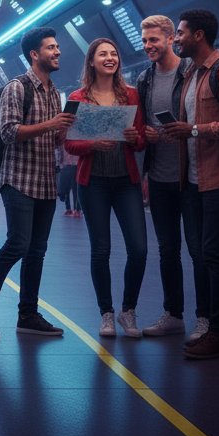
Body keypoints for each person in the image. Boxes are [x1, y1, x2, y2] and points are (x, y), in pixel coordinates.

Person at [0, 26, 75, 340]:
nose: (57, 52)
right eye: (51, 48)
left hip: (45, 179)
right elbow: (9, 132)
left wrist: (63, 132)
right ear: (34, 54)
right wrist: (51, 124)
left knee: (37, 251)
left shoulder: (55, 92)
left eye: (57, 47)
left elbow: (52, 138)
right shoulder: (16, 87)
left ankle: (27, 313)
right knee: (18, 243)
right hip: (17, 178)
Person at [163, 8, 219, 361]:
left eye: (181, 32)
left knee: (215, 253)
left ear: (199, 35)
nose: (177, 38)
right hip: (195, 180)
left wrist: (197, 130)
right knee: (206, 253)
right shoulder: (191, 76)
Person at [65, 38, 148, 338]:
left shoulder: (131, 96)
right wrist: (92, 144)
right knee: (101, 250)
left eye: (113, 54)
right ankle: (107, 314)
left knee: (138, 249)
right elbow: (70, 143)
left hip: (126, 181)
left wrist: (133, 138)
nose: (110, 58)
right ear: (91, 61)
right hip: (93, 183)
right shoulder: (78, 97)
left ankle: (128, 310)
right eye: (103, 54)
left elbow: (142, 139)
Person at [136, 14, 209, 341]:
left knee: (198, 250)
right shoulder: (144, 79)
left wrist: (182, 131)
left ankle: (205, 317)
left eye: (154, 39)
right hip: (160, 176)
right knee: (168, 250)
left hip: (190, 176)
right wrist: (146, 134)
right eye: (144, 40)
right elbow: (139, 123)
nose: (148, 46)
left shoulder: (191, 73)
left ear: (170, 39)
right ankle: (173, 314)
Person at [56, 145, 80, 217]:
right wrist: (58, 163)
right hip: (66, 164)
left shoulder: (76, 137)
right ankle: (69, 208)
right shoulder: (63, 138)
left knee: (75, 188)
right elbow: (59, 150)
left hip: (76, 164)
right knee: (66, 188)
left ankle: (76, 209)